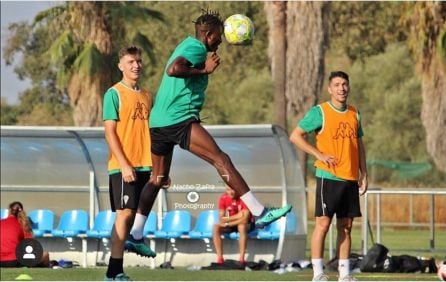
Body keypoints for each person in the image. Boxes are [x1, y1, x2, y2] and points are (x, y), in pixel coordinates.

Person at [125, 9, 292, 257]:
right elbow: (174, 69)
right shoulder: (196, 47)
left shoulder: (188, 45)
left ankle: (135, 235)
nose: (221, 41)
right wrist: (204, 70)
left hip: (159, 122)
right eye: (218, 37)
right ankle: (259, 212)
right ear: (208, 34)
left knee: (157, 179)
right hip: (177, 119)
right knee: (221, 160)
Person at [289, 71, 368, 282]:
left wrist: (364, 172)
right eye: (337, 85)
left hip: (350, 178)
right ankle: (318, 274)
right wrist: (319, 154)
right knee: (323, 224)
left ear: (348, 87)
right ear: (330, 89)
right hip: (328, 177)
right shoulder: (320, 112)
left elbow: (359, 145)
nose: (341, 88)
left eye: (344, 84)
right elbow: (295, 136)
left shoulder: (354, 113)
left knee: (347, 227)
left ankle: (344, 275)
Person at [103, 45, 154, 281]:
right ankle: (114, 271)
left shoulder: (146, 95)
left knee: (133, 215)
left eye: (139, 61)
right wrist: (124, 164)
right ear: (121, 65)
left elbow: (150, 133)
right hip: (124, 165)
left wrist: (159, 167)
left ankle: (135, 239)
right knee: (124, 215)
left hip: (146, 164)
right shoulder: (113, 94)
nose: (136, 65)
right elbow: (110, 132)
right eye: (131, 61)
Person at [0, 201, 50, 268]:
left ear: (9, 211)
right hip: (15, 261)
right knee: (45, 255)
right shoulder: (23, 224)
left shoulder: (1, 222)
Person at [213, 185, 253, 265]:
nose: (230, 192)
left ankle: (242, 258)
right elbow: (222, 218)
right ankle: (220, 258)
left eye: (233, 190)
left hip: (246, 224)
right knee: (216, 227)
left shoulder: (244, 198)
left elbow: (245, 219)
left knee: (241, 226)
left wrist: (228, 222)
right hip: (231, 223)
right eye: (228, 190)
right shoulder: (223, 198)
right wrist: (238, 215)